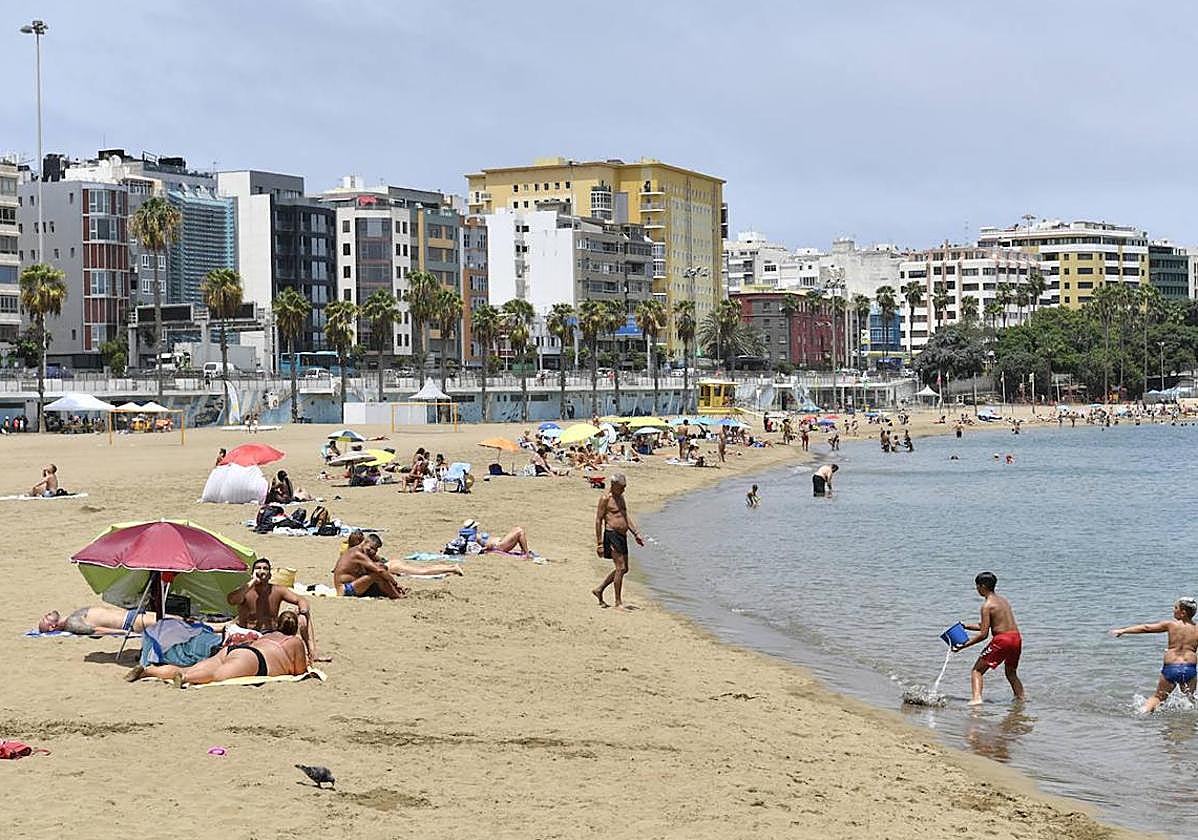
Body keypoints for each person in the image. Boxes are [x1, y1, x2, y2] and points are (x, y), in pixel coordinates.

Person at [127, 611, 308, 687]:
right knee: (215, 676)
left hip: (236, 650)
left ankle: (148, 671)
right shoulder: (295, 642)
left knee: (191, 667)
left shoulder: (268, 635)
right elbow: (299, 671)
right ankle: (185, 678)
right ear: (293, 629)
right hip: (254, 660)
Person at [226, 557, 325, 662]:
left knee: (304, 617)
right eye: (258, 568)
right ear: (252, 573)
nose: (262, 571)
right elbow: (232, 600)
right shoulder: (245, 591)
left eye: (265, 568)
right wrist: (253, 581)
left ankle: (313, 653)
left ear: (270, 574)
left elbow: (301, 599)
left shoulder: (277, 590)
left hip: (272, 632)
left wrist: (302, 612)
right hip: (249, 633)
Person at [1110, 597, 1198, 713]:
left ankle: (1142, 712)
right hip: (1189, 668)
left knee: (1158, 697)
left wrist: (1123, 630)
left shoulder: (1171, 625)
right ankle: (1187, 725)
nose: (1173, 610)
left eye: (1175, 608)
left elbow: (1146, 628)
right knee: (1189, 699)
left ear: (1183, 612)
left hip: (1171, 667)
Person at [952, 571, 1024, 705]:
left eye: (977, 586)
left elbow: (984, 634)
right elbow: (988, 625)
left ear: (983, 586)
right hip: (1016, 639)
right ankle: (1021, 699)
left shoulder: (987, 606)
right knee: (1011, 673)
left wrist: (963, 646)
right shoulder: (1003, 601)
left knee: (977, 670)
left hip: (1002, 640)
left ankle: (976, 700)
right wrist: (965, 626)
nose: (977, 589)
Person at [592, 473, 644, 610]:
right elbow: (598, 520)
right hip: (611, 534)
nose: (623, 490)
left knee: (624, 568)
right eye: (621, 487)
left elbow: (625, 516)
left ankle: (600, 589)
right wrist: (599, 543)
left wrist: (636, 534)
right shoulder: (605, 499)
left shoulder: (620, 497)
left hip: (622, 535)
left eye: (624, 487)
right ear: (613, 485)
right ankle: (618, 602)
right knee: (620, 568)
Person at [332, 532, 410, 598]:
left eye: (375, 550)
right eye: (371, 548)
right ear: (365, 542)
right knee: (377, 575)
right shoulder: (357, 553)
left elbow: (379, 567)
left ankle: (394, 591)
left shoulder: (361, 552)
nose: (373, 552)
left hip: (354, 585)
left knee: (380, 567)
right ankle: (397, 596)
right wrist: (395, 583)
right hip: (345, 589)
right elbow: (379, 571)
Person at [364, 532, 463, 576]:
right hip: (392, 563)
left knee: (422, 571)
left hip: (393, 567)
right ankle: (451, 567)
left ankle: (452, 568)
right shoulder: (366, 552)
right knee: (423, 569)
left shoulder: (364, 553)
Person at [38, 604, 166, 636]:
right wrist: (123, 633)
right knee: (175, 623)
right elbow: (95, 630)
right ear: (52, 627)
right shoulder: (72, 624)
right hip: (130, 622)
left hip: (133, 613)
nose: (46, 614)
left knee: (176, 620)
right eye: (45, 619)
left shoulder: (72, 617)